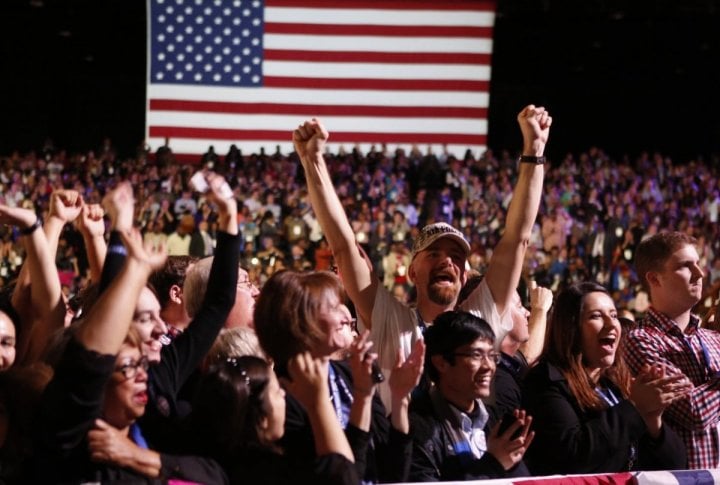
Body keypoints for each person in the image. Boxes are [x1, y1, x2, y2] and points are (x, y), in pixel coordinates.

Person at [293, 105, 551, 408]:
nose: (447, 261)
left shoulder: (480, 318)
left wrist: (534, 151)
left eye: (456, 256)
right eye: (434, 254)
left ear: (464, 276)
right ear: (412, 271)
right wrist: (313, 161)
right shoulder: (392, 322)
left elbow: (516, 239)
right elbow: (342, 245)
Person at [33, 229, 226, 483]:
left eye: (142, 365)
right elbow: (89, 358)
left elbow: (216, 476)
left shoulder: (146, 439)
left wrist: (138, 457)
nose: (141, 376)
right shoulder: (72, 441)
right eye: (127, 366)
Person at [253, 270, 424, 483]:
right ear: (299, 321)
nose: (347, 314)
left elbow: (393, 474)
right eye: (333, 307)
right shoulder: (282, 394)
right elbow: (342, 477)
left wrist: (399, 402)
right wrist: (360, 398)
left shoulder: (352, 372)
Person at [523, 282, 690, 475]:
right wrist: (635, 407)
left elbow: (675, 466)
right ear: (570, 328)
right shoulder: (545, 381)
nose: (612, 324)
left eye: (613, 315)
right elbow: (574, 457)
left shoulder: (614, 384)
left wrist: (653, 421)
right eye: (596, 316)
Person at [183, 353, 360, 485]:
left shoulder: (208, 465)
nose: (284, 394)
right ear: (262, 419)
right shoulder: (274, 474)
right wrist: (318, 402)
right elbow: (344, 475)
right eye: (276, 392)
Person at [624, 232, 720, 469]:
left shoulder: (713, 339)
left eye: (698, 264)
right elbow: (693, 412)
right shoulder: (641, 341)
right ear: (655, 279)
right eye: (686, 266)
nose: (699, 274)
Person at [408, 310, 534, 481]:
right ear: (441, 362)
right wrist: (494, 463)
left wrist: (512, 461)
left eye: (491, 356)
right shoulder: (417, 429)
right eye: (476, 355)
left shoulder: (494, 421)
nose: (488, 366)